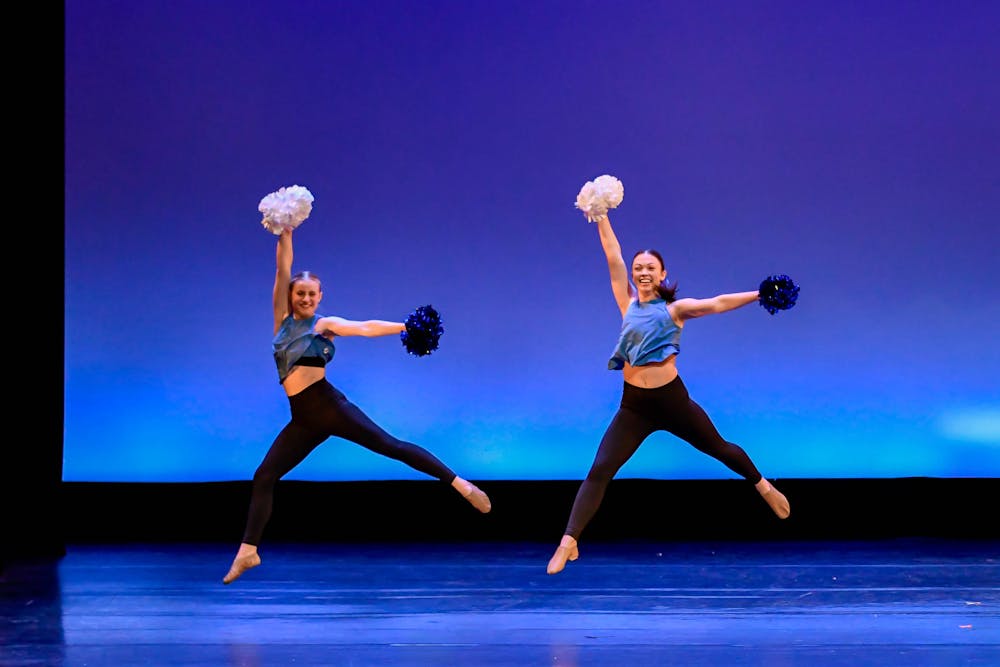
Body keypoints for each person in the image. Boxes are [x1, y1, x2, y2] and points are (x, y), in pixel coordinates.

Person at [223, 227, 491, 585]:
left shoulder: (324, 325)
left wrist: (404, 327)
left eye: (312, 294)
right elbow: (282, 267)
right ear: (289, 295)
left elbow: (364, 327)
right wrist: (286, 232)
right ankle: (248, 551)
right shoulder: (281, 321)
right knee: (265, 476)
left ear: (320, 297)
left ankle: (460, 484)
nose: (305, 298)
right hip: (303, 420)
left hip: (329, 407)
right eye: (299, 293)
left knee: (391, 446)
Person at [546, 213, 790, 575]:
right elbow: (612, 255)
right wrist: (602, 215)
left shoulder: (676, 309)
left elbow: (717, 302)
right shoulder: (626, 303)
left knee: (720, 448)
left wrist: (759, 295)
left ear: (662, 274)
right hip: (635, 407)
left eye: (650, 268)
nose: (643, 272)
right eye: (638, 268)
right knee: (600, 469)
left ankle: (763, 486)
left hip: (672, 401)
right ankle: (568, 541)